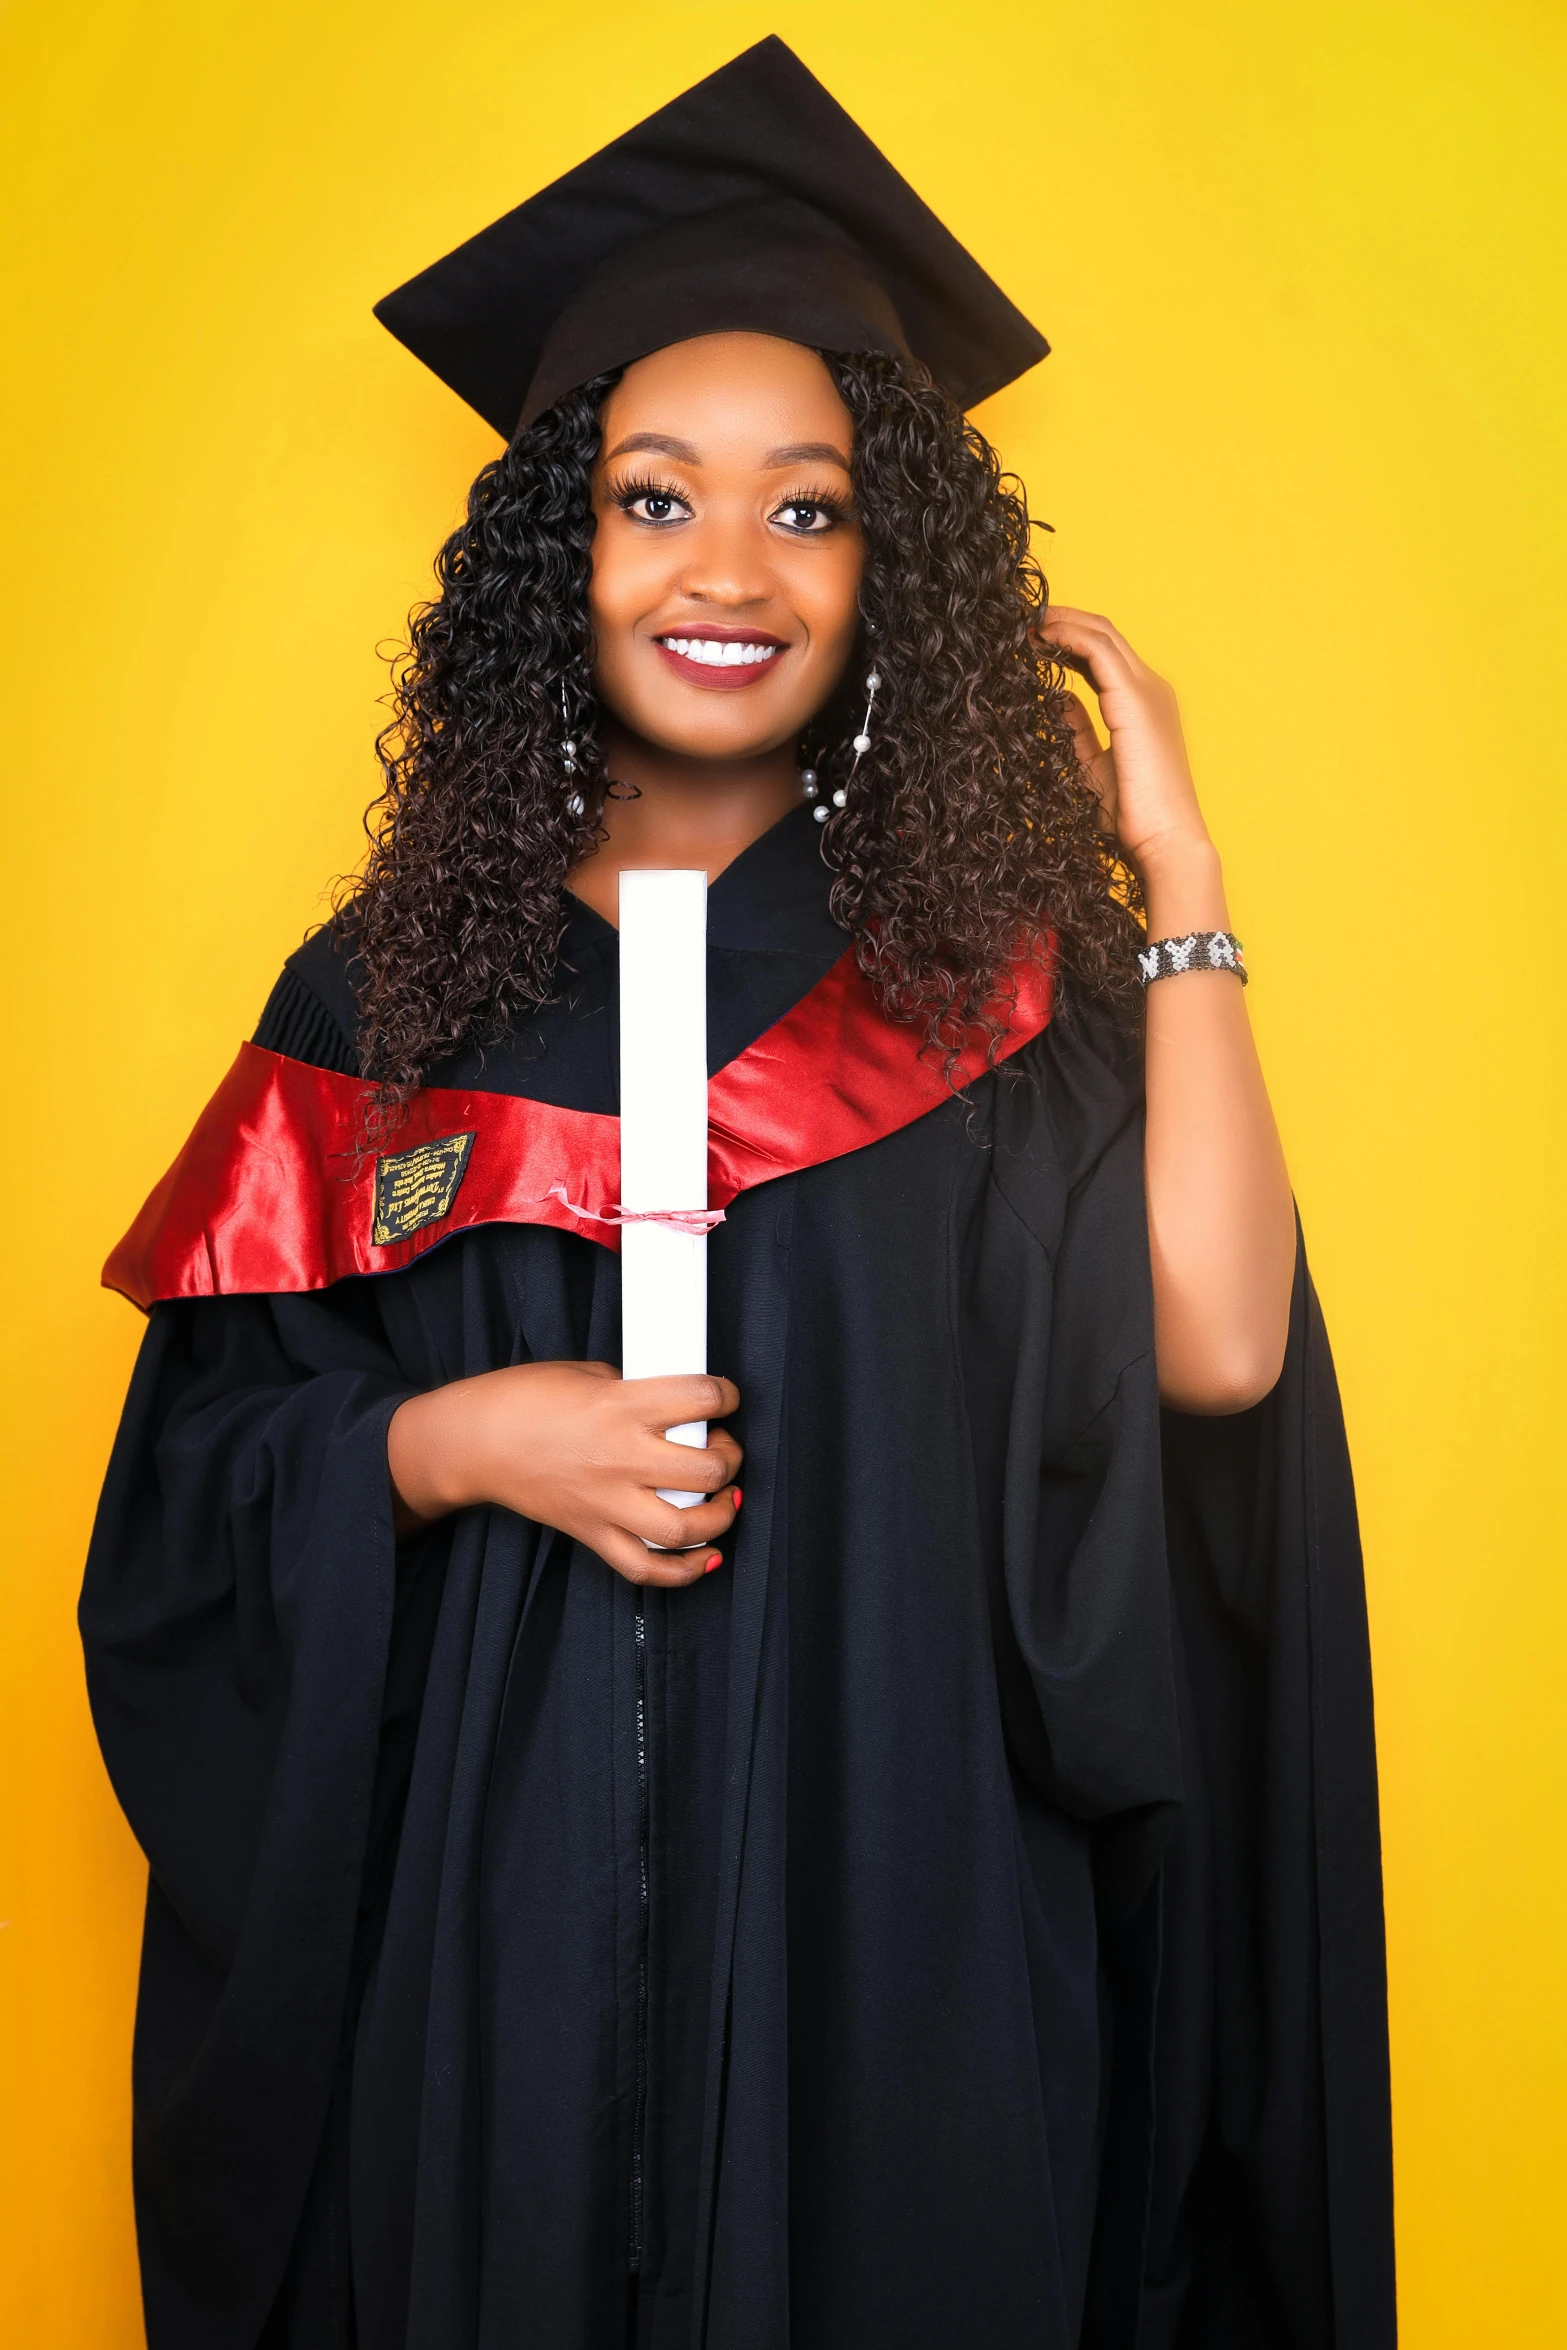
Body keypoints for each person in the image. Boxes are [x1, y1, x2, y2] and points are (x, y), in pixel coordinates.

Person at [82, 37, 1394, 2350]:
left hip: (907, 1946)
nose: (727, 568)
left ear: (894, 564)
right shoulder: (383, 1001)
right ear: (550, 561)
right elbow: (185, 1521)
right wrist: (447, 1442)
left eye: (809, 508)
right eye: (653, 495)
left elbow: (1215, 1344)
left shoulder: (998, 980)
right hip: (493, 1980)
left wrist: (1176, 877)